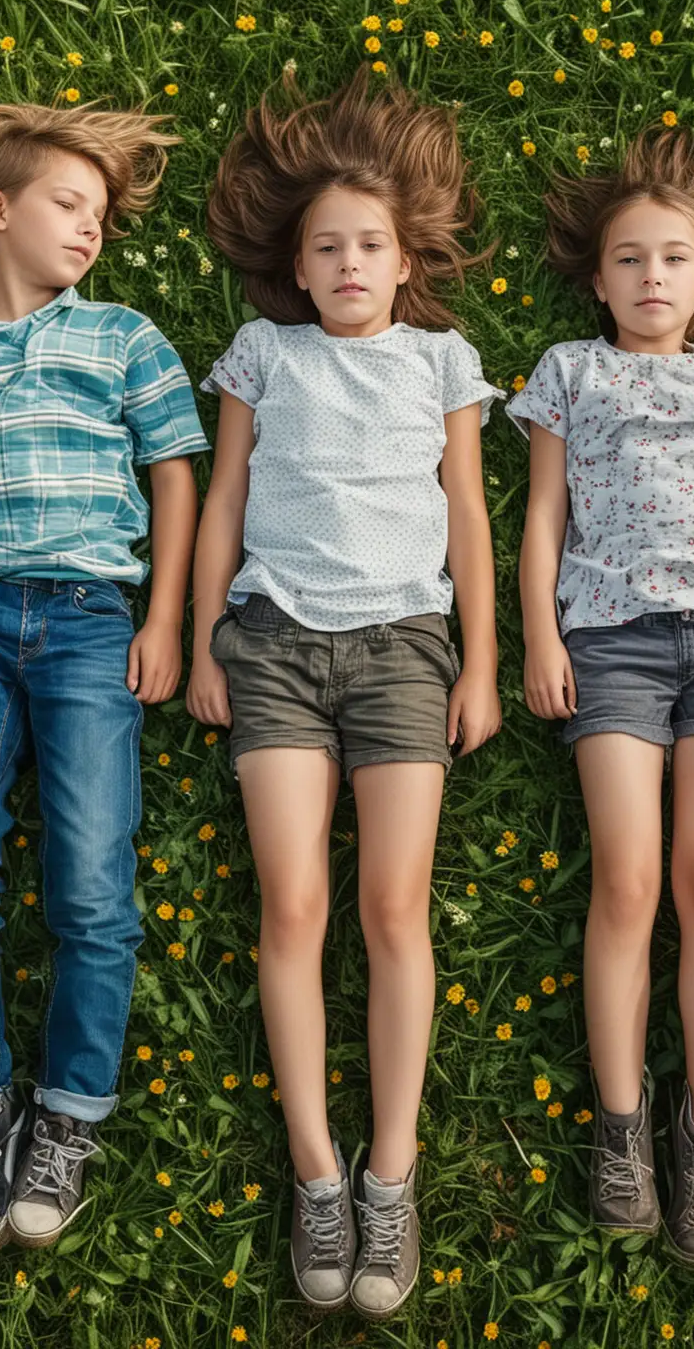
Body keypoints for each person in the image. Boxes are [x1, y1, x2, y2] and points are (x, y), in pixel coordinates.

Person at [0, 101, 207, 1255]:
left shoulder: (125, 339)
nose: (91, 230)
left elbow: (174, 477)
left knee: (93, 890)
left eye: (102, 216)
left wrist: (165, 621)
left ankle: (67, 1118)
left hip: (88, 625)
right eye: (69, 205)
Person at [186, 68, 502, 1318]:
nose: (352, 261)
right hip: (272, 644)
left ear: (405, 256)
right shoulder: (264, 352)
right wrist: (209, 640)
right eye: (328, 246)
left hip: (404, 650)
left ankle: (392, 1168)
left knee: (393, 910)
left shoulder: (444, 359)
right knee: (293, 904)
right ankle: (318, 1173)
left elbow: (470, 516)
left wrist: (483, 663)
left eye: (371, 242)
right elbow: (221, 500)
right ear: (300, 268)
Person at [507, 125, 694, 1269]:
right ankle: (625, 1128)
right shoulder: (569, 373)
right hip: (613, 644)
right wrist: (539, 635)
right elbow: (541, 517)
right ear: (599, 280)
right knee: (628, 878)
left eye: (673, 259)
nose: (651, 279)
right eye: (630, 260)